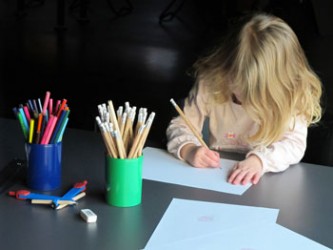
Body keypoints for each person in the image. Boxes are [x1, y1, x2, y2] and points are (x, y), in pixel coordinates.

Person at [166, 13, 322, 185]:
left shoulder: (292, 93)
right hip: (216, 177)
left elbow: (294, 144)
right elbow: (181, 125)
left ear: (280, 85)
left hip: (267, 182)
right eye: (240, 87)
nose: (246, 99)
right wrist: (189, 150)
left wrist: (260, 161)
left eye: (257, 94)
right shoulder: (212, 82)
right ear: (226, 67)